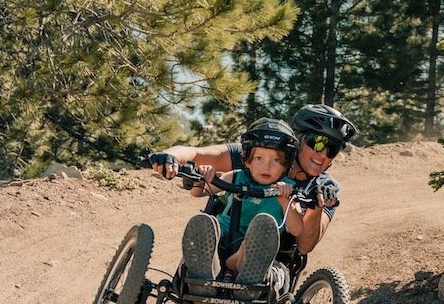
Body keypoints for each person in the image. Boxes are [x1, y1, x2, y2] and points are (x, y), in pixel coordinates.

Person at [151, 103, 356, 259]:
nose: (323, 154)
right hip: (226, 236)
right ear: (298, 138)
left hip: (272, 257)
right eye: (317, 142)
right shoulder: (259, 152)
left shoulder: (326, 188)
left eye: (332, 148)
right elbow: (196, 153)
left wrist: (318, 206)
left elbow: (305, 247)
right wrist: (169, 157)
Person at [182, 118, 298, 286]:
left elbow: (297, 229)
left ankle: (235, 264)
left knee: (256, 241)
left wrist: (286, 201)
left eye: (276, 160)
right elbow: (198, 192)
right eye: (259, 158)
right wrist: (203, 177)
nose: (266, 166)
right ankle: (209, 270)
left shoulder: (288, 189)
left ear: (286, 165)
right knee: (205, 224)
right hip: (220, 240)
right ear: (247, 160)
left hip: (260, 249)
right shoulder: (236, 176)